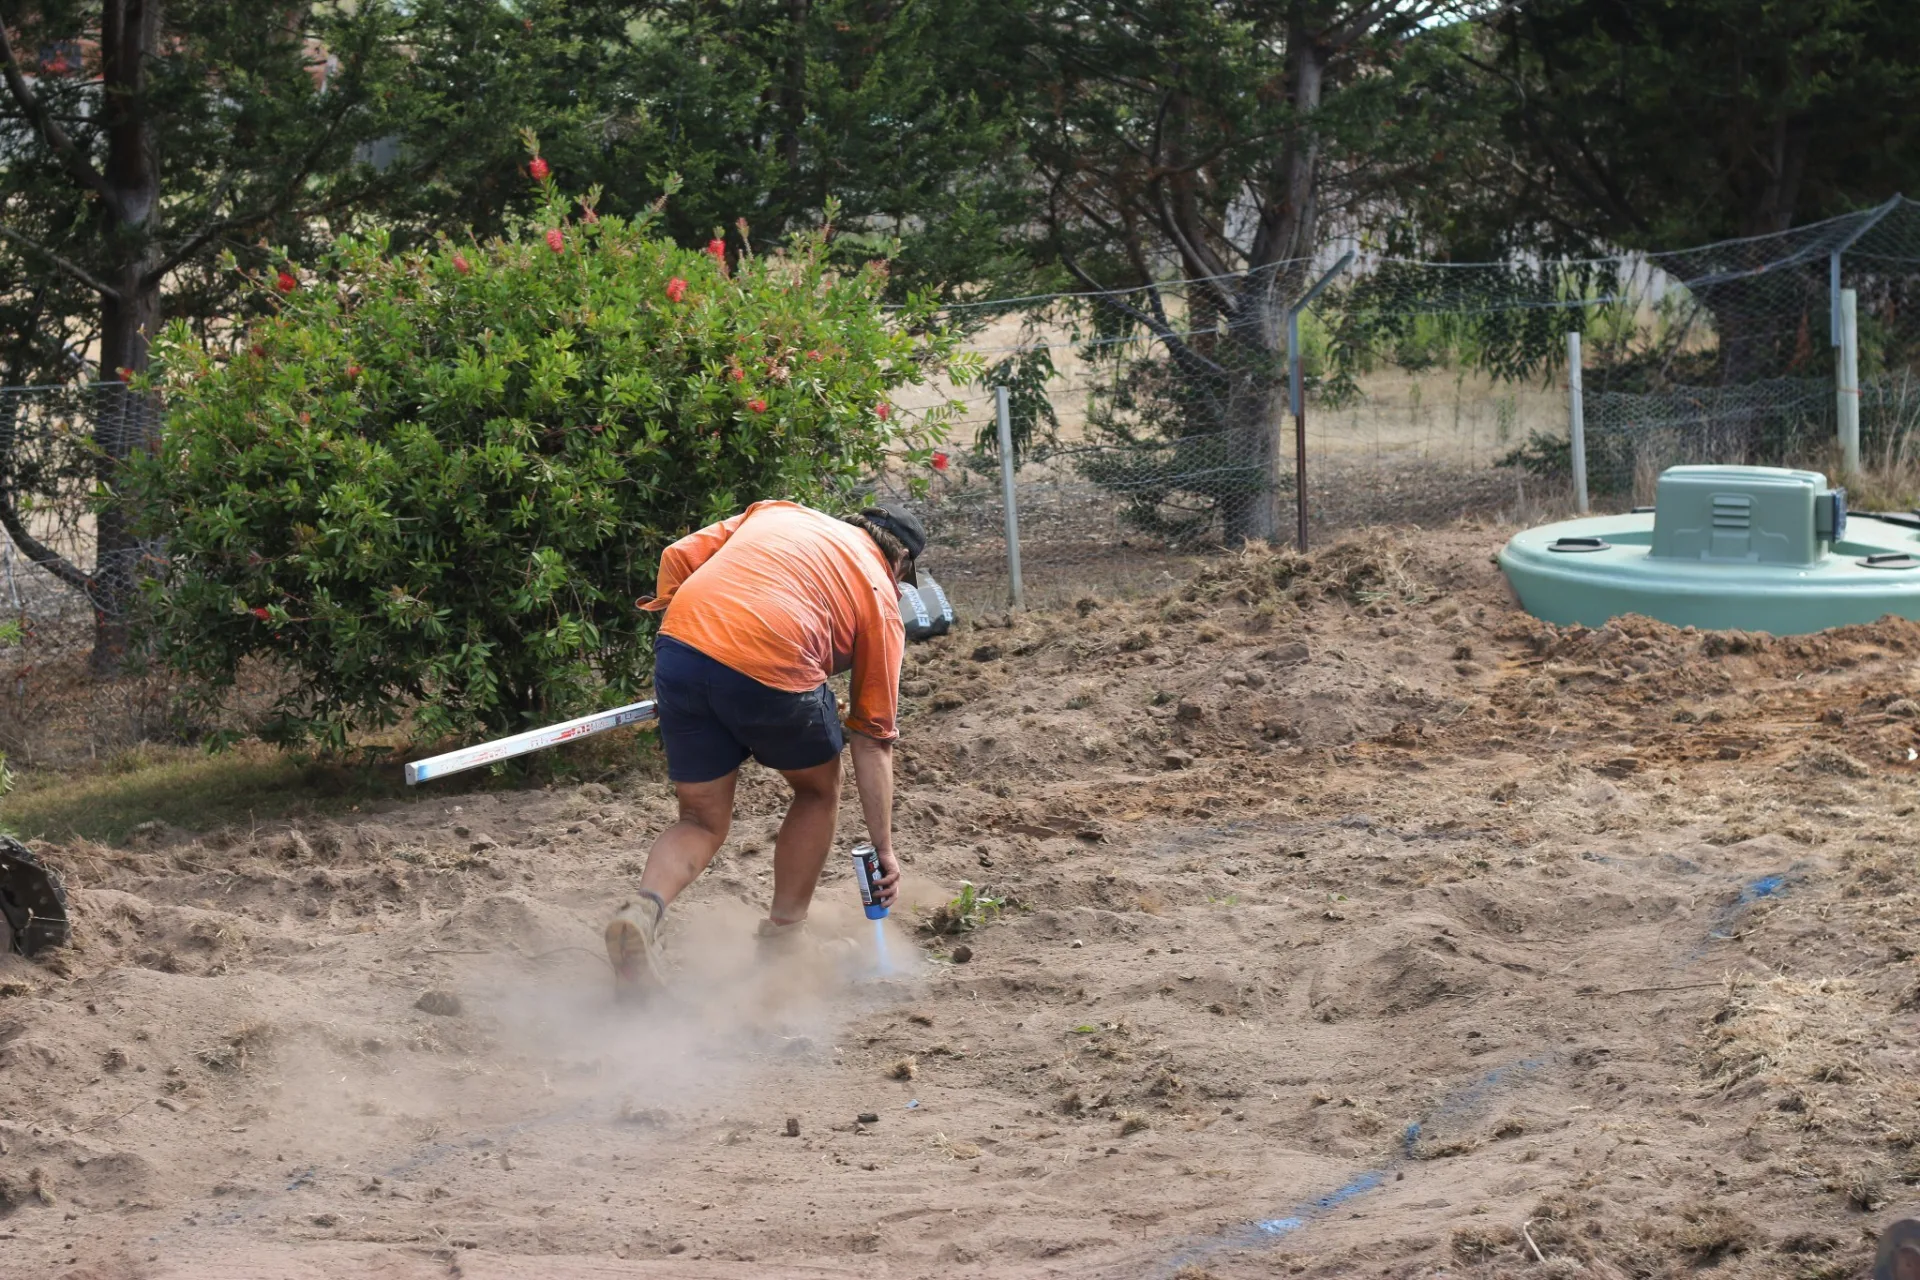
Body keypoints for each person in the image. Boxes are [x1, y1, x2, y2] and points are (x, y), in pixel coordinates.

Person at [603, 500, 924, 999]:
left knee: (701, 820)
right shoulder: (881, 595)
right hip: (776, 660)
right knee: (817, 791)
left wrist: (703, 636)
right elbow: (872, 737)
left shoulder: (779, 513)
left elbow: (676, 556)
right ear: (899, 564)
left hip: (682, 644)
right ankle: (784, 941)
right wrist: (883, 848)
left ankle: (642, 912)